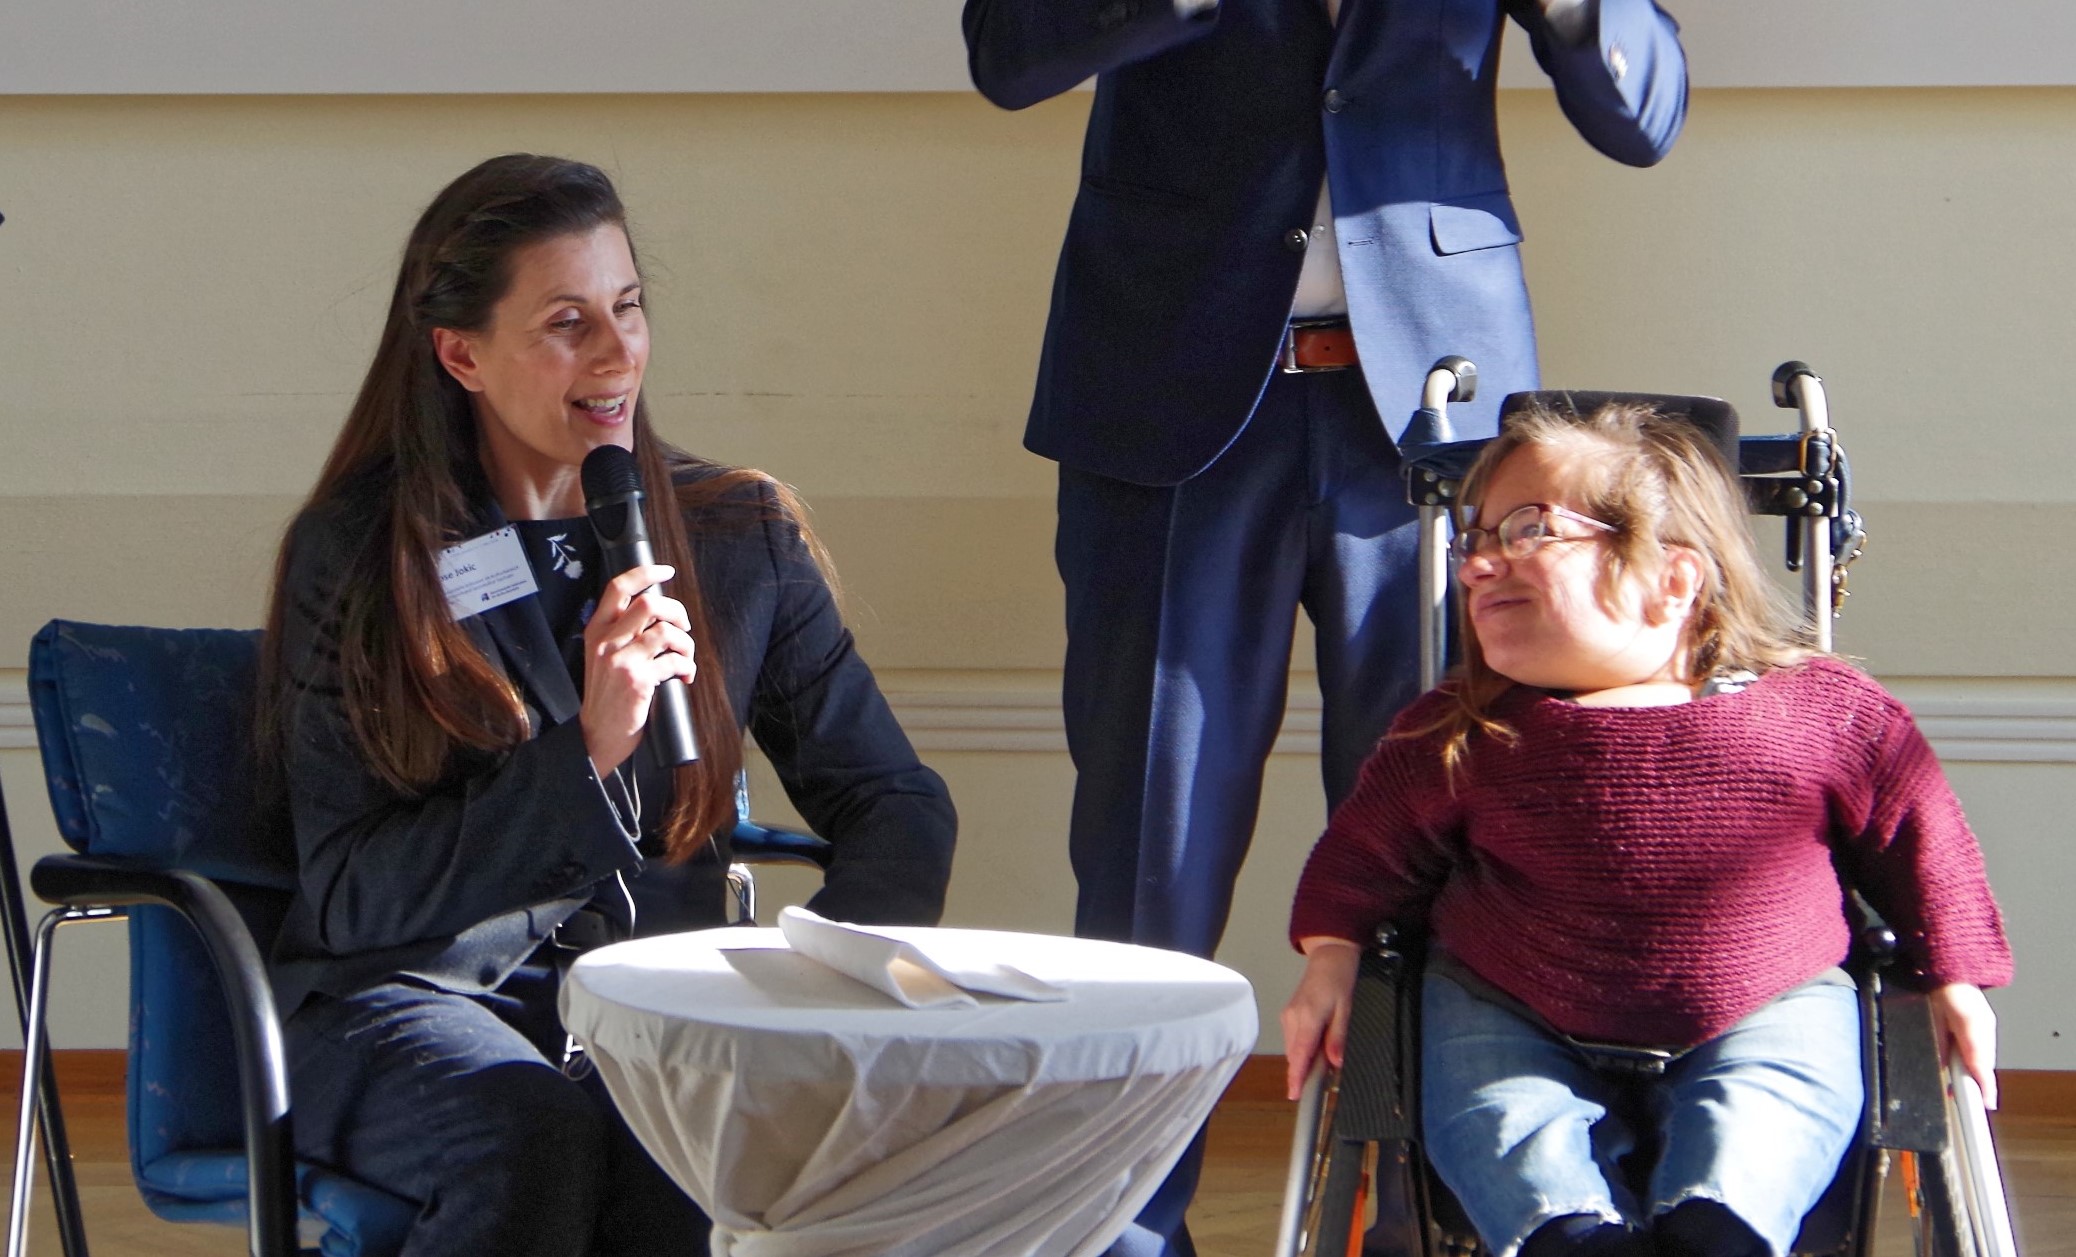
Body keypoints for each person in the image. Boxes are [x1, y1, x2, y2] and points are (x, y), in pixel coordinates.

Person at [966, 4, 1689, 1249]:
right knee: (1153, 850)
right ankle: (1129, 1230)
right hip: (1170, 403)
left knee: (1444, 861)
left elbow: (1646, 112)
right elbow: (1009, 51)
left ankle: (1424, 1222)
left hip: (1433, 421)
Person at [257, 153, 957, 1256]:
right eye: (567, 322)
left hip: (654, 1005)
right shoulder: (364, 553)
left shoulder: (736, 532)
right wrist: (588, 749)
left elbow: (894, 800)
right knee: (530, 1128)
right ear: (460, 354)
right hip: (410, 999)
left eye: (628, 307)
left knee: (692, 1136)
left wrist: (826, 987)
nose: (618, 350)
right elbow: (351, 893)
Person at [1282, 404, 2012, 1257]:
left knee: (1772, 1110)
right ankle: (1574, 1234)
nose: (1479, 563)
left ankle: (1719, 1227)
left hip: (1763, 1003)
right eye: (1474, 538)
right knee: (1495, 1112)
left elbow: (1922, 841)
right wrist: (1332, 955)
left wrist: (1954, 978)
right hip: (1513, 1005)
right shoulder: (1461, 728)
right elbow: (1366, 855)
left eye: (1528, 529)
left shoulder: (1822, 712)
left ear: (1674, 578)